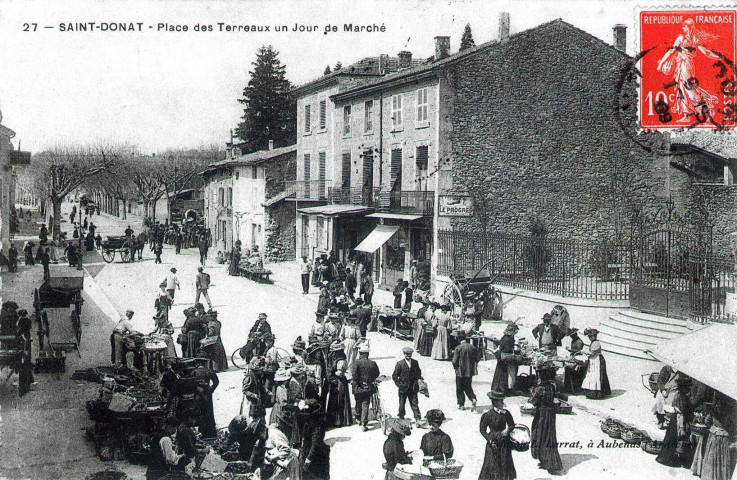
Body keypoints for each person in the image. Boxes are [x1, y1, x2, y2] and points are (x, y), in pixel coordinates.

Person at [657, 18, 722, 122]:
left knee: (688, 89)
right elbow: (707, 53)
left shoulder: (682, 38)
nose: (683, 28)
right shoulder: (694, 38)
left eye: (684, 26)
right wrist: (719, 57)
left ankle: (706, 108)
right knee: (682, 88)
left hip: (685, 65)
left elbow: (671, 51)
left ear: (688, 27)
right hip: (684, 64)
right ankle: (687, 114)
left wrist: (661, 63)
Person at [529, 362, 563, 474]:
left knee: (539, 433)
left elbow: (533, 401)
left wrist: (532, 394)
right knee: (549, 435)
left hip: (542, 413)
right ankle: (548, 460)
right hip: (551, 413)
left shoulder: (539, 388)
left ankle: (547, 461)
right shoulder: (552, 386)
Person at [478, 389, 517, 480]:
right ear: (495, 402)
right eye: (500, 401)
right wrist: (490, 440)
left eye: (502, 401)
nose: (502, 403)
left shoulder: (506, 413)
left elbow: (512, 425)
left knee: (504, 461)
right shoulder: (487, 415)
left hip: (504, 441)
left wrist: (508, 429)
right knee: (492, 463)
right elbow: (482, 430)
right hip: (493, 441)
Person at [657, 376, 694, 467]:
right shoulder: (681, 397)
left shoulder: (679, 395)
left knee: (670, 438)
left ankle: (666, 457)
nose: (689, 389)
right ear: (684, 387)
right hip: (677, 420)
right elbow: (680, 413)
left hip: (675, 419)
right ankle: (668, 459)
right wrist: (681, 428)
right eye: (688, 387)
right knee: (673, 438)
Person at [325, 342, 353, 428]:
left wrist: (331, 372)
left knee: (339, 399)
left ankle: (338, 420)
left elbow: (340, 373)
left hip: (339, 381)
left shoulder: (341, 360)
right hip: (336, 381)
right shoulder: (337, 359)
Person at [352, 343, 379, 431]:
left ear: (360, 353)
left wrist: (359, 383)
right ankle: (363, 424)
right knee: (365, 404)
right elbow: (377, 374)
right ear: (367, 354)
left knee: (358, 402)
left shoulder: (357, 362)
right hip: (368, 387)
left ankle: (358, 418)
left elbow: (354, 374)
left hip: (358, 387)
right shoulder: (373, 363)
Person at [392, 347, 423, 422]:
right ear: (404, 354)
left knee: (414, 403)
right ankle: (401, 417)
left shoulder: (415, 363)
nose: (408, 355)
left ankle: (417, 419)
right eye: (407, 354)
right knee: (402, 404)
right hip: (403, 388)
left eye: (410, 354)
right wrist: (399, 385)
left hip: (413, 388)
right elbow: (395, 376)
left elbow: (418, 372)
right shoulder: (400, 364)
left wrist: (418, 379)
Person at [581, 328, 611, 399]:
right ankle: (591, 392)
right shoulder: (593, 343)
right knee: (591, 375)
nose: (590, 338)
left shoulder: (596, 343)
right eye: (589, 336)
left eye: (591, 336)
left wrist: (584, 351)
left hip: (597, 360)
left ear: (595, 336)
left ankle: (597, 393)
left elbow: (592, 353)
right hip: (593, 360)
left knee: (596, 375)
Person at [193, 363, 220, 439]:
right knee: (209, 412)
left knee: (200, 412)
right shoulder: (208, 371)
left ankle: (202, 432)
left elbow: (192, 383)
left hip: (198, 394)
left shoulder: (194, 372)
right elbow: (216, 382)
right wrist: (211, 389)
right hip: (207, 394)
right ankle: (211, 433)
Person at [452, 330, 478, 410]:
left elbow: (454, 361)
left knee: (459, 388)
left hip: (460, 372)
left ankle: (461, 404)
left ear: (459, 339)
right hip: (469, 372)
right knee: (468, 387)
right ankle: (473, 398)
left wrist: (455, 367)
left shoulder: (458, 348)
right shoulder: (472, 347)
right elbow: (477, 358)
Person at [491, 324, 519, 396]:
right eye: (515, 331)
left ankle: (501, 389)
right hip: (506, 359)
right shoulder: (508, 339)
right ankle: (507, 390)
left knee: (500, 375)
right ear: (512, 331)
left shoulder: (504, 337)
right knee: (508, 374)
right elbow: (508, 350)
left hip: (501, 359)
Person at [241, 356, 268, 420]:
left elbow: (260, 385)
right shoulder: (249, 377)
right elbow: (245, 390)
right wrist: (254, 395)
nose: (260, 371)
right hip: (250, 401)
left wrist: (265, 390)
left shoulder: (258, 375)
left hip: (258, 400)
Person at [16, 309, 35, 396]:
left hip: (23, 343)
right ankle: (29, 382)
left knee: (24, 365)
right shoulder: (28, 321)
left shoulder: (20, 322)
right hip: (27, 342)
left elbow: (19, 332)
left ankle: (25, 387)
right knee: (27, 363)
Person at [563, 328, 586, 394]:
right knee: (567, 368)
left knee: (570, 369)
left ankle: (573, 388)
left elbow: (579, 351)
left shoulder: (579, 342)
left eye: (572, 335)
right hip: (573, 357)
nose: (571, 337)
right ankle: (568, 387)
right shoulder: (573, 340)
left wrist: (571, 350)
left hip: (578, 358)